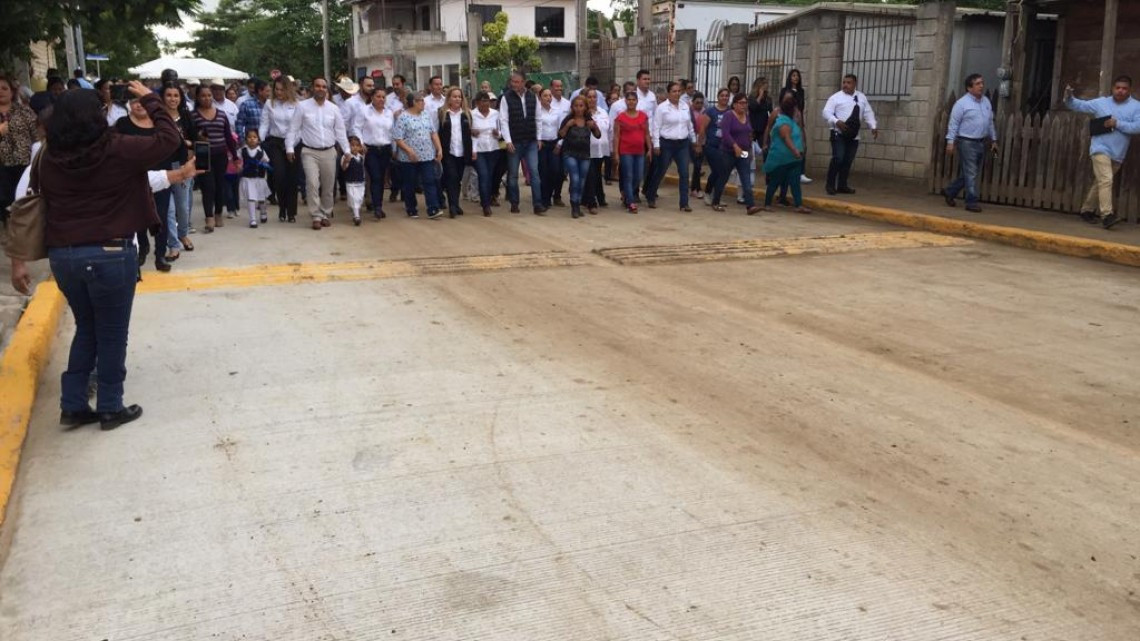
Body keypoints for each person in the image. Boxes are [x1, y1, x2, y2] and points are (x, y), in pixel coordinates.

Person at [8, 82, 180, 430]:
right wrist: (150, 98)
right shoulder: (118, 148)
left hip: (65, 256)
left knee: (87, 328)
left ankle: (73, 405)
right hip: (111, 253)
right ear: (98, 116)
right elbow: (169, 139)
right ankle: (110, 406)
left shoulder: (47, 156)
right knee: (112, 334)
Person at [1066, 76, 1140, 230]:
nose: (1120, 91)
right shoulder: (1101, 103)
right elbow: (1078, 105)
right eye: (1118, 87)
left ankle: (1087, 210)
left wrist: (1117, 123)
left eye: (1124, 88)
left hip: (1118, 153)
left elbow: (1137, 127)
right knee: (1106, 179)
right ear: (1112, 88)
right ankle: (1107, 215)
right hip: (1100, 149)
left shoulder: (1136, 107)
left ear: (1129, 90)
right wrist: (1069, 97)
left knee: (1100, 182)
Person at [286, 76, 350, 230]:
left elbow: (340, 131)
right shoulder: (302, 107)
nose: (320, 89)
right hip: (309, 152)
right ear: (312, 88)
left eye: (323, 86)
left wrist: (347, 150)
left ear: (327, 89)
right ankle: (315, 215)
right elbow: (293, 129)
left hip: (329, 151)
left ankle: (325, 213)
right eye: (317, 86)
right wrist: (289, 148)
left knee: (328, 185)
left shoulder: (333, 109)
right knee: (312, 183)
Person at [942, 74, 998, 213]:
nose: (981, 86)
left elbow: (990, 122)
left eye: (982, 83)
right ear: (969, 88)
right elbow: (953, 124)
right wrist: (950, 142)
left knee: (969, 172)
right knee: (971, 172)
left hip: (981, 141)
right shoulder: (961, 104)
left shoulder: (986, 102)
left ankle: (950, 191)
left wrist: (994, 139)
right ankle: (971, 201)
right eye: (977, 84)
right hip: (966, 142)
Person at [192, 84, 239, 232]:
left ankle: (218, 212)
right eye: (203, 96)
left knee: (220, 186)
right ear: (197, 98)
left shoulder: (221, 114)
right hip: (202, 154)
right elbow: (190, 136)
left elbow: (228, 136)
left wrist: (235, 156)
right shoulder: (193, 116)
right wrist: (197, 138)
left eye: (209, 95)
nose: (206, 98)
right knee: (208, 187)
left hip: (220, 154)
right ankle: (209, 217)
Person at [822, 73, 877, 195]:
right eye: (844, 82)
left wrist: (873, 126)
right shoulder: (835, 98)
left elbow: (868, 112)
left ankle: (842, 185)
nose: (845, 85)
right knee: (838, 158)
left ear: (854, 84)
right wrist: (837, 121)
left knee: (847, 160)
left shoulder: (861, 97)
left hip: (854, 135)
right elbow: (826, 112)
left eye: (848, 83)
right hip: (838, 133)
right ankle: (830, 185)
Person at [499, 71, 545, 214]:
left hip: (531, 141)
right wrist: (508, 141)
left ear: (524, 82)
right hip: (515, 142)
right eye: (512, 81)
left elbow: (538, 118)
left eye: (517, 82)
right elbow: (503, 121)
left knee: (534, 172)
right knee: (513, 174)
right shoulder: (506, 98)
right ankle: (514, 203)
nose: (514, 84)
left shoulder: (533, 97)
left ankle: (537, 204)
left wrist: (539, 138)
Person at [646, 81, 697, 211]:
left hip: (682, 144)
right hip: (666, 143)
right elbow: (656, 127)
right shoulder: (662, 108)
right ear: (669, 93)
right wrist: (656, 145)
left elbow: (689, 124)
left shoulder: (685, 106)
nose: (677, 93)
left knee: (684, 173)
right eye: (674, 91)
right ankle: (650, 195)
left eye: (679, 91)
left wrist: (694, 140)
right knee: (661, 170)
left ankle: (684, 203)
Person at [392, 92, 444, 219]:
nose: (423, 102)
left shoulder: (426, 115)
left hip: (427, 155)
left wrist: (439, 148)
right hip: (409, 158)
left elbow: (433, 133)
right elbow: (398, 138)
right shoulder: (403, 117)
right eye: (421, 100)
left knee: (429, 181)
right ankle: (411, 208)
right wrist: (409, 151)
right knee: (410, 183)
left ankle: (433, 208)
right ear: (414, 102)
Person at [161, 82, 196, 256]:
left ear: (181, 98)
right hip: (162, 166)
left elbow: (196, 139)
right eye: (169, 95)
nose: (172, 99)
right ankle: (173, 244)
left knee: (182, 206)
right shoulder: (157, 117)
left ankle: (183, 234)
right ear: (162, 97)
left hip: (182, 165)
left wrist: (188, 144)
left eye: (176, 95)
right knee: (168, 209)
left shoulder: (186, 116)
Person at [712, 94, 762, 215]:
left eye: (745, 103)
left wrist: (749, 150)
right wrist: (735, 146)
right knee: (723, 177)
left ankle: (750, 205)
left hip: (743, 152)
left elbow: (749, 133)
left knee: (746, 178)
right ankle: (716, 201)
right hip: (728, 152)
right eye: (741, 103)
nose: (744, 105)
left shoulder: (746, 116)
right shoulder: (729, 115)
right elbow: (725, 134)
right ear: (734, 104)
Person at [260, 77, 300, 222]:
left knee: (292, 178)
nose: (278, 92)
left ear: (288, 89)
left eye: (282, 90)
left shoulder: (297, 104)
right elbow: (264, 124)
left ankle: (291, 212)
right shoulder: (269, 104)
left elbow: (300, 126)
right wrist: (259, 141)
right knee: (279, 175)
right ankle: (282, 208)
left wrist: (293, 144)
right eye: (276, 89)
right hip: (275, 142)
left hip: (294, 143)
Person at [0, 75, 37, 224]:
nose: (1, 92)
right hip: (2, 166)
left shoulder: (24, 112)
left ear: (12, 91)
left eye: (4, 88)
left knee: (23, 200)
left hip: (23, 163)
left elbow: (37, 135)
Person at [763, 94, 809, 214]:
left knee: (795, 183)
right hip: (782, 158)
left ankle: (798, 205)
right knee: (775, 182)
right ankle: (767, 204)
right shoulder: (783, 122)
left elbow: (799, 133)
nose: (797, 112)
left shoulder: (791, 121)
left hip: (793, 159)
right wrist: (795, 151)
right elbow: (786, 138)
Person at [556, 95, 601, 219]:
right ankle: (574, 206)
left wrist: (594, 126)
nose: (578, 108)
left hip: (585, 155)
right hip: (570, 153)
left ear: (585, 107)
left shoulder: (588, 120)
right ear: (572, 107)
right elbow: (560, 135)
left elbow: (598, 135)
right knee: (575, 178)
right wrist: (567, 126)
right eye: (576, 106)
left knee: (582, 181)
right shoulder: (568, 119)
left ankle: (577, 201)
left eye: (581, 106)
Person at [613, 91, 651, 213]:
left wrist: (650, 148)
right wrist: (616, 153)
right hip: (626, 151)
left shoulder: (643, 116)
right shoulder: (620, 118)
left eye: (633, 100)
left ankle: (627, 193)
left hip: (640, 151)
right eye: (629, 100)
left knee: (638, 176)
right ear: (625, 101)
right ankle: (631, 202)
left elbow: (647, 134)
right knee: (628, 176)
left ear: (637, 101)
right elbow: (616, 136)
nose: (631, 102)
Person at [437, 87, 473, 218]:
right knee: (451, 177)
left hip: (462, 153)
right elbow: (437, 132)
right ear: (449, 99)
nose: (457, 99)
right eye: (454, 96)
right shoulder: (442, 113)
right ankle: (452, 206)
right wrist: (438, 150)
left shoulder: (467, 114)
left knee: (458, 179)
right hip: (448, 152)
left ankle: (456, 204)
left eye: (459, 97)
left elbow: (471, 134)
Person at [359, 88, 394, 219]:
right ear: (372, 97)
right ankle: (377, 207)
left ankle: (378, 204)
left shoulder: (388, 113)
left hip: (385, 148)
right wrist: (360, 142)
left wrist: (394, 148)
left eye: (383, 97)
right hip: (370, 149)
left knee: (382, 177)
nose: (381, 99)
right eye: (378, 96)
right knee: (375, 176)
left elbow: (392, 131)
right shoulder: (364, 111)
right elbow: (356, 127)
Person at [471, 91, 501, 216]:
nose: (486, 104)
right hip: (479, 150)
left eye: (487, 101)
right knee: (483, 175)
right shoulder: (472, 114)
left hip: (493, 149)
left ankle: (488, 198)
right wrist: (472, 133)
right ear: (477, 103)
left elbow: (501, 131)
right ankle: (486, 205)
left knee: (490, 176)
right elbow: (469, 134)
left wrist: (497, 134)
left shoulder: (495, 114)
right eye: (483, 101)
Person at [701, 88, 731, 207]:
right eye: (722, 95)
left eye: (726, 95)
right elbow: (703, 128)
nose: (724, 98)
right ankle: (708, 193)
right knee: (718, 170)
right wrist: (699, 144)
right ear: (718, 97)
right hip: (712, 146)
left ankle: (716, 196)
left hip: (726, 147)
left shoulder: (730, 111)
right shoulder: (710, 111)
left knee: (723, 172)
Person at [583, 91, 610, 214]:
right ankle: (591, 202)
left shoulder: (603, 112)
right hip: (587, 149)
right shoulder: (583, 113)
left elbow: (607, 129)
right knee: (591, 175)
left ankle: (599, 197)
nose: (592, 99)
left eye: (594, 97)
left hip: (601, 148)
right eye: (589, 97)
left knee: (597, 174)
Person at [784, 68, 812, 184]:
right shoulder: (785, 90)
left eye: (797, 76)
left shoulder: (801, 91)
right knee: (788, 145)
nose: (796, 78)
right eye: (793, 75)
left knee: (802, 145)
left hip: (798, 119)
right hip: (787, 120)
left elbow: (801, 107)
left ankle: (801, 173)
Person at [536, 88, 563, 210]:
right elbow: (535, 127)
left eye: (549, 96)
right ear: (540, 97)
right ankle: (544, 199)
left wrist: (559, 143)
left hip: (554, 143)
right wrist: (537, 140)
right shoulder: (537, 112)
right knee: (543, 172)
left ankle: (550, 193)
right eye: (545, 96)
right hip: (542, 144)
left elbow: (562, 129)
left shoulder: (557, 111)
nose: (548, 98)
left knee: (555, 170)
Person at [239, 129, 271, 227]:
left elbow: (267, 161)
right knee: (251, 198)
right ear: (246, 139)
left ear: (258, 139)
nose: (252, 139)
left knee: (261, 198)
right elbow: (237, 160)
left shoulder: (261, 152)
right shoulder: (242, 151)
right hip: (248, 178)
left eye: (254, 137)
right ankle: (252, 219)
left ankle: (263, 212)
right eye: (249, 137)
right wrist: (239, 167)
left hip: (259, 178)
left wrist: (263, 165)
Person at [688, 92, 710, 201]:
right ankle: (696, 188)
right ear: (693, 102)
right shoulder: (689, 112)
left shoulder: (706, 112)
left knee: (698, 165)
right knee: (696, 165)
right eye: (697, 102)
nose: (699, 105)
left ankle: (695, 188)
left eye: (701, 103)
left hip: (703, 141)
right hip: (692, 141)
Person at [340, 136, 366, 225]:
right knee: (354, 198)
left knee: (360, 198)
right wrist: (346, 161)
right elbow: (343, 168)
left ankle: (354, 208)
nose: (355, 147)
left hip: (360, 182)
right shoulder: (346, 157)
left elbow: (362, 168)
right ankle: (356, 216)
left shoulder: (361, 157)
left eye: (357, 145)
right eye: (352, 145)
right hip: (351, 182)